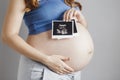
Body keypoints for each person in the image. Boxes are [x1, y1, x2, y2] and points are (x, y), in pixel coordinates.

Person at [1, 0, 94, 80]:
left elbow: (78, 32)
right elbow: (8, 35)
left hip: (71, 73)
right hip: (45, 68)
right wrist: (47, 60)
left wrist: (81, 20)